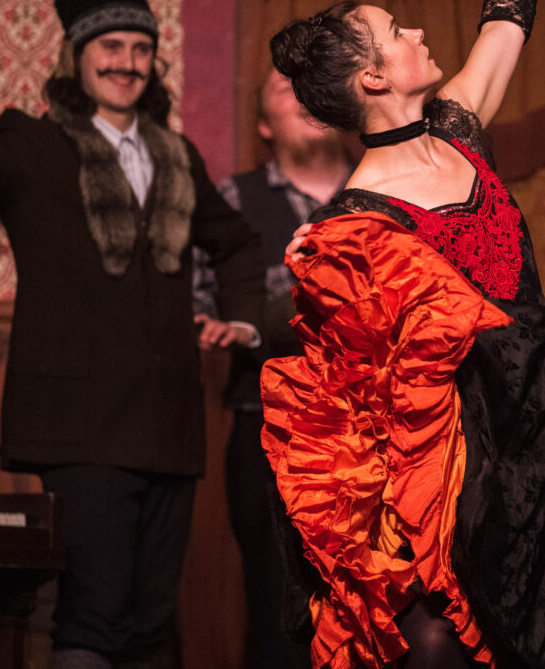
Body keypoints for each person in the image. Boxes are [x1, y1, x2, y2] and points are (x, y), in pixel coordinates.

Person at [264, 0, 545, 669]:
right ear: (374, 77)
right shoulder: (355, 222)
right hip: (462, 458)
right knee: (452, 639)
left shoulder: (460, 129)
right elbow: (352, 385)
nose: (418, 32)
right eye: (398, 31)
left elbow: (506, 22)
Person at [0, 0, 265, 669]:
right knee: (95, 616)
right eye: (110, 46)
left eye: (140, 48)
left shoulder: (176, 154)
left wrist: (242, 322)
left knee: (149, 622)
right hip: (81, 424)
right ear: (77, 55)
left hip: (168, 425)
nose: (126, 62)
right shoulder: (32, 146)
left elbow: (239, 244)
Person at [194, 68, 352, 669]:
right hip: (267, 427)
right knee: (277, 605)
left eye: (312, 86)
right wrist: (230, 323)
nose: (304, 96)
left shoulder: (381, 186)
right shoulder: (234, 199)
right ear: (264, 125)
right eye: (286, 91)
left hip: (373, 423)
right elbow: (204, 295)